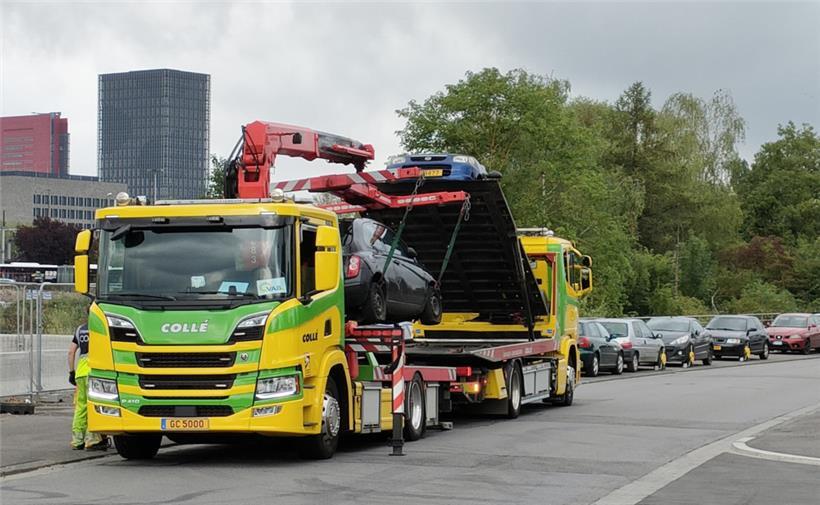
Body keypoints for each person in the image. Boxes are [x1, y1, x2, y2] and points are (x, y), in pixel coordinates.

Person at [68, 315, 107, 450]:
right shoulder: (99, 328)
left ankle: (77, 440)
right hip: (95, 372)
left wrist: (72, 372)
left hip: (80, 372)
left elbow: (71, 352)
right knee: (94, 405)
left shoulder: (80, 330)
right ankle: (92, 439)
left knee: (80, 407)